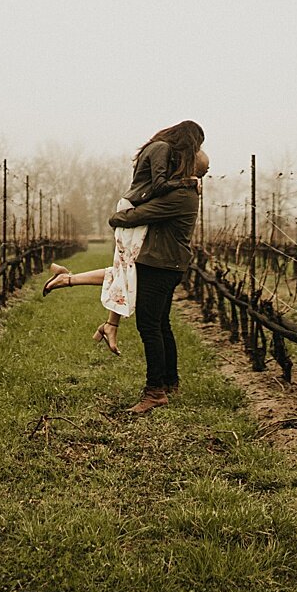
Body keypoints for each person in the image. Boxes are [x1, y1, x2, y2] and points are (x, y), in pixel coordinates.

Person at [42, 121, 204, 355]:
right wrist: (187, 182)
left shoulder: (160, 147)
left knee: (126, 270)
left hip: (135, 207)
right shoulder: (161, 147)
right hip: (131, 209)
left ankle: (71, 283)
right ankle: (101, 315)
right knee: (127, 270)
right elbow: (158, 186)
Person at [108, 147, 207, 413]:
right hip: (168, 264)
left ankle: (154, 392)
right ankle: (169, 381)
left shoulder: (181, 196)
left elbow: (137, 215)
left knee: (149, 326)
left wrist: (116, 217)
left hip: (160, 265)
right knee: (161, 323)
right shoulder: (186, 193)